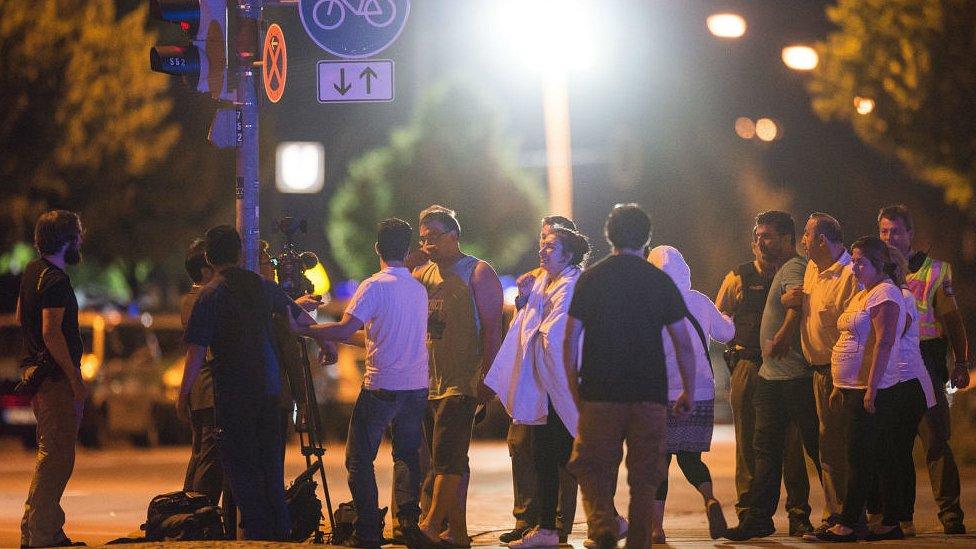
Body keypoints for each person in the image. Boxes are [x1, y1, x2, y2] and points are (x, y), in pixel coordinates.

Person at [564, 204, 698, 549]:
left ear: (609, 235)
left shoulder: (591, 278)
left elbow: (570, 339)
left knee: (591, 465)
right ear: (647, 238)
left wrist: (574, 388)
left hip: (599, 393)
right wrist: (688, 390)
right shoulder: (659, 281)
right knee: (645, 476)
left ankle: (602, 524)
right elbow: (683, 342)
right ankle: (638, 541)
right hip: (649, 395)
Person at [179, 225, 314, 541]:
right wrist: (331, 343)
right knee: (270, 469)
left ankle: (256, 535)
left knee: (242, 471)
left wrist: (183, 395)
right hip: (269, 391)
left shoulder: (210, 294)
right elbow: (297, 319)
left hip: (234, 393)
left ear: (210, 258)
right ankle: (279, 534)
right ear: (241, 253)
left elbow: (196, 352)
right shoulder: (262, 285)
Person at [303, 219, 430, 549]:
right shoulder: (417, 289)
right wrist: (334, 336)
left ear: (377, 248)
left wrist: (303, 329)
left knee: (359, 459)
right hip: (416, 387)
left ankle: (368, 531)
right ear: (407, 249)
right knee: (406, 456)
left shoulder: (374, 286)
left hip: (381, 387)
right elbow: (376, 337)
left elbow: (346, 329)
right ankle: (407, 524)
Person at [804, 236, 921, 542]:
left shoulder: (885, 294)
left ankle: (849, 523)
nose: (854, 267)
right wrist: (839, 385)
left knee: (860, 456)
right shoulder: (862, 293)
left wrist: (871, 388)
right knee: (866, 454)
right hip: (851, 386)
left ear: (879, 264)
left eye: (860, 262)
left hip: (873, 388)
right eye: (853, 261)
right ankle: (885, 522)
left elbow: (884, 342)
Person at [485, 225, 590, 547]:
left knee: (568, 457)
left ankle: (606, 518)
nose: (542, 251)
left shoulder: (571, 285)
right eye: (541, 245)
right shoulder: (545, 281)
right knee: (546, 455)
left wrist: (533, 311)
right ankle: (546, 528)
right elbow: (529, 325)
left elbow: (554, 336)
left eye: (550, 246)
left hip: (561, 384)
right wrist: (526, 299)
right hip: (544, 385)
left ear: (568, 254)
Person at [724, 212, 824, 541]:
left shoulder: (800, 271)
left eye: (767, 236)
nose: (760, 243)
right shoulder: (739, 276)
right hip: (751, 366)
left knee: (793, 446)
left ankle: (799, 515)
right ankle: (750, 512)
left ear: (787, 239)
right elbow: (718, 318)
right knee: (753, 446)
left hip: (792, 371)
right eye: (757, 236)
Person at [413, 206, 503, 547]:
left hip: (461, 381)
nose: (427, 245)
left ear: (454, 235)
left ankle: (432, 524)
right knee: (449, 459)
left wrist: (486, 377)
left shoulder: (478, 272)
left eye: (434, 237)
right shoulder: (422, 274)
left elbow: (493, 330)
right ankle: (459, 531)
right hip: (428, 381)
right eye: (422, 239)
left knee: (447, 459)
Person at [877, 205, 969, 535]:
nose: (890, 238)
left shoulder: (934, 271)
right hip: (889, 364)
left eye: (896, 231)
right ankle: (902, 519)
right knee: (896, 445)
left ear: (910, 234)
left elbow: (952, 321)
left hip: (926, 361)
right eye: (884, 231)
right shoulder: (875, 270)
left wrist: (961, 362)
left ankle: (951, 515)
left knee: (935, 440)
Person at [647, 245, 734, 543]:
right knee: (690, 457)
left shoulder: (649, 305)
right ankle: (709, 498)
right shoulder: (699, 301)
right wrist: (724, 315)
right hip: (699, 392)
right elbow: (726, 334)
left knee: (660, 461)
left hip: (662, 393)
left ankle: (656, 528)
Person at [784, 213, 858, 534]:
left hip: (839, 372)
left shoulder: (850, 275)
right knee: (827, 445)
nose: (803, 241)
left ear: (822, 240)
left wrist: (841, 378)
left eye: (806, 235)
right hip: (816, 371)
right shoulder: (813, 268)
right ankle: (837, 513)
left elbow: (855, 329)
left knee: (837, 445)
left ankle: (844, 517)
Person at [18, 210, 87, 548]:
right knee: (57, 457)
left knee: (52, 454)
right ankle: (41, 533)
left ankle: (39, 528)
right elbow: (52, 332)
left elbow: (21, 314)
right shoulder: (56, 280)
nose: (81, 239)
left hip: (38, 376)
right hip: (55, 380)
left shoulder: (34, 272)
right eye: (77, 233)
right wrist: (74, 378)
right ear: (66, 240)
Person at [179, 239, 223, 506]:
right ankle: (197, 514)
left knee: (200, 455)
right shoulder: (202, 300)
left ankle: (187, 512)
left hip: (200, 390)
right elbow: (202, 350)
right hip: (209, 390)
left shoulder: (191, 298)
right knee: (209, 459)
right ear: (206, 271)